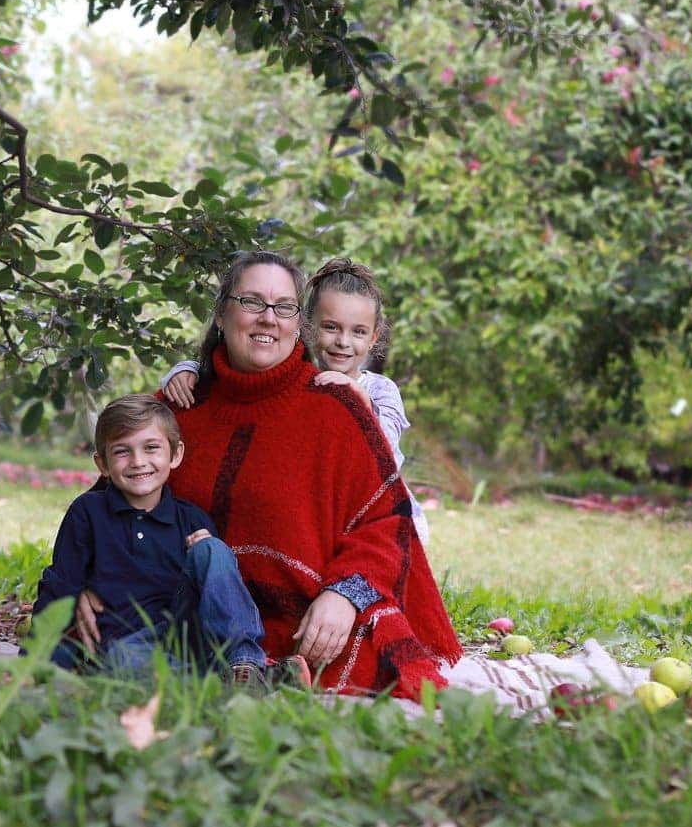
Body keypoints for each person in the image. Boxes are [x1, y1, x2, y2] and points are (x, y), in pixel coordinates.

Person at [86, 250, 459, 700]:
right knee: (112, 656)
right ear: (222, 313)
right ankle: (224, 678)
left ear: (297, 322)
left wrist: (346, 595)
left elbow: (387, 520)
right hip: (172, 615)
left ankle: (250, 673)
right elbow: (103, 508)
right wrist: (86, 584)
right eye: (252, 303)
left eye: (284, 307)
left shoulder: (336, 408)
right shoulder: (175, 410)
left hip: (303, 631)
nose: (268, 319)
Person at [33, 394, 310, 687]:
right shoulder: (87, 512)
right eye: (122, 452)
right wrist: (38, 662)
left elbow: (218, 595)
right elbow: (60, 587)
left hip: (191, 637)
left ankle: (244, 663)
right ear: (102, 464)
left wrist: (208, 553)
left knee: (212, 550)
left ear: (175, 455)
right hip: (130, 645)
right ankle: (246, 683)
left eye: (151, 448)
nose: (138, 462)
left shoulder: (192, 519)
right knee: (120, 663)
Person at [159, 257, 429, 543]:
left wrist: (359, 403)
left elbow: (383, 458)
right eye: (331, 327)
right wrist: (186, 369)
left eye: (358, 331)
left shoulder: (380, 390)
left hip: (384, 518)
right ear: (307, 326)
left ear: (374, 337)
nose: (343, 341)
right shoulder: (297, 374)